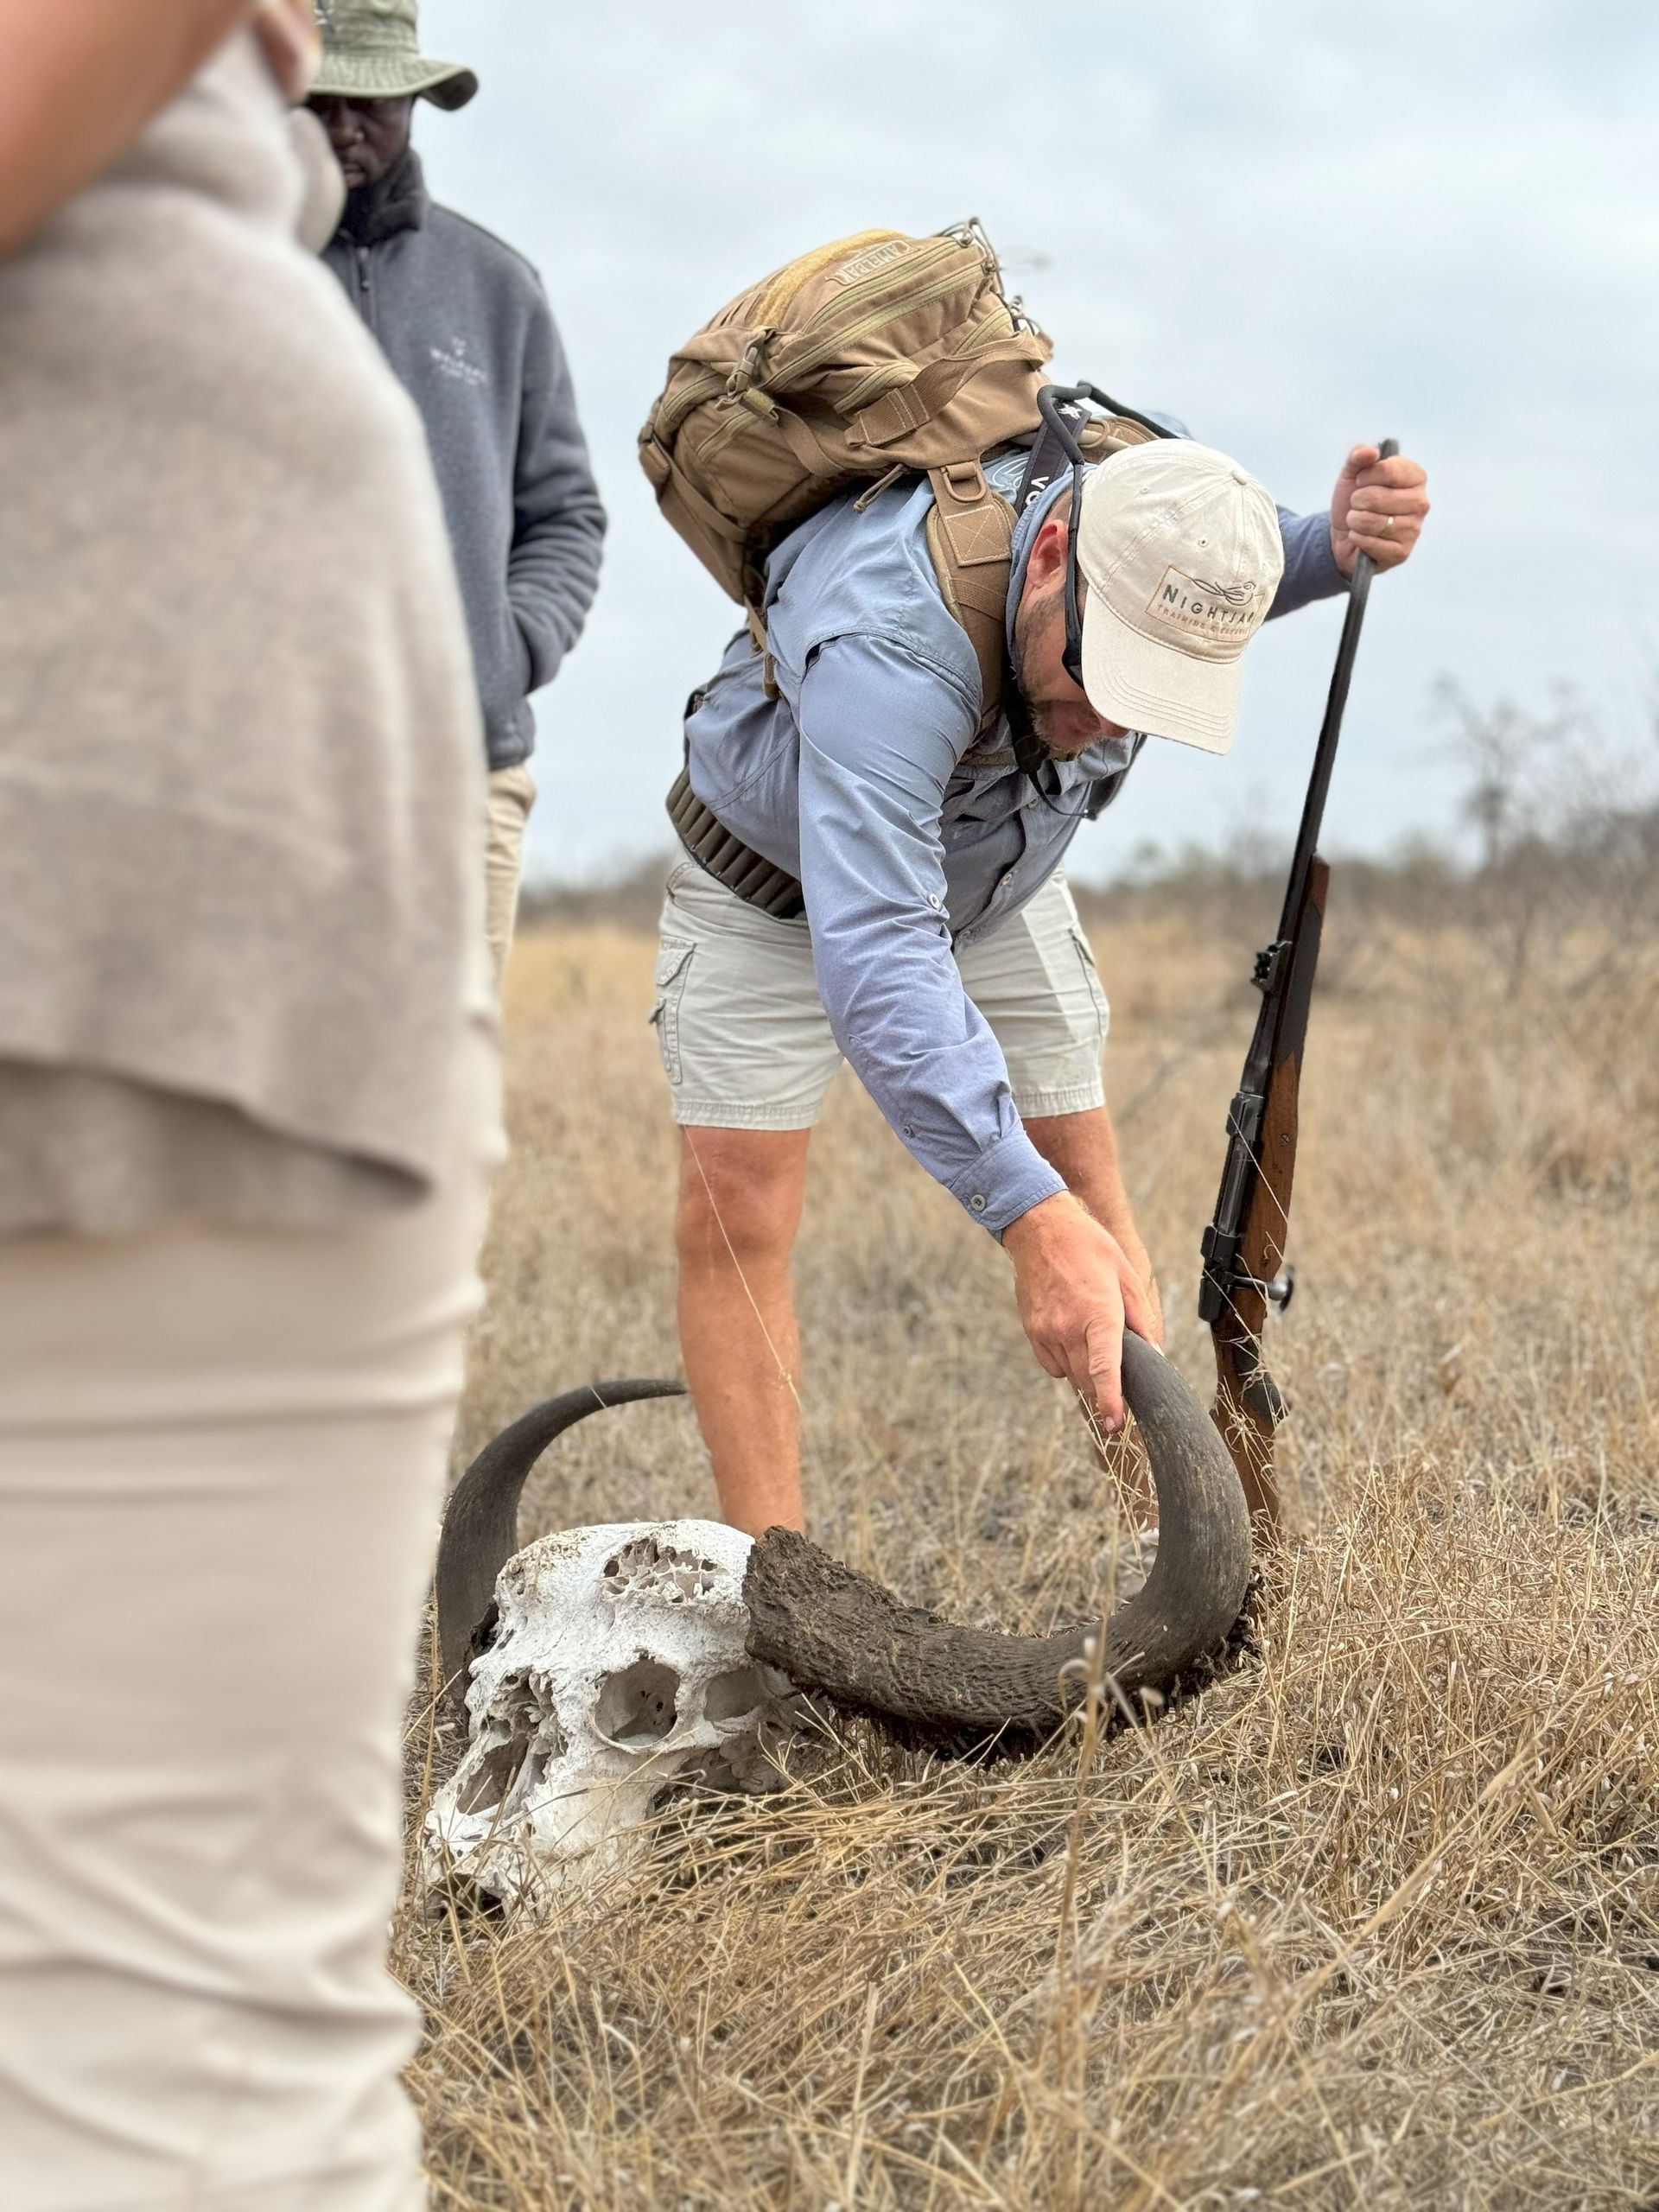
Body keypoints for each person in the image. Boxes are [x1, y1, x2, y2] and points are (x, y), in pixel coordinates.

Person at [0, 7, 499, 2207]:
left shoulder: (485, 294)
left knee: (155, 2052)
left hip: (133, 736)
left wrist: (511, 661)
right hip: (210, 697)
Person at [658, 427, 1429, 1536]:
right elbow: (879, 955)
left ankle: (1175, 1551)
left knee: (1089, 1187)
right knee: (738, 1209)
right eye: (1103, 673)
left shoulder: (1147, 554)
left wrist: (1330, 541)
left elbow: (1216, 588)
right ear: (1054, 551)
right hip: (776, 882)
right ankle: (782, 1595)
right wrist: (1024, 1218)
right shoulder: (891, 636)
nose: (1108, 725)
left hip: (998, 876)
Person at [307, 0, 607, 981]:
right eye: (322, 100)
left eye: (375, 101)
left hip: (465, 775)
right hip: (267, 777)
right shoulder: (219, 281)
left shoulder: (497, 287)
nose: (348, 125)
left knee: (440, 1108)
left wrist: (507, 652)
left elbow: (566, 513)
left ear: (416, 102)